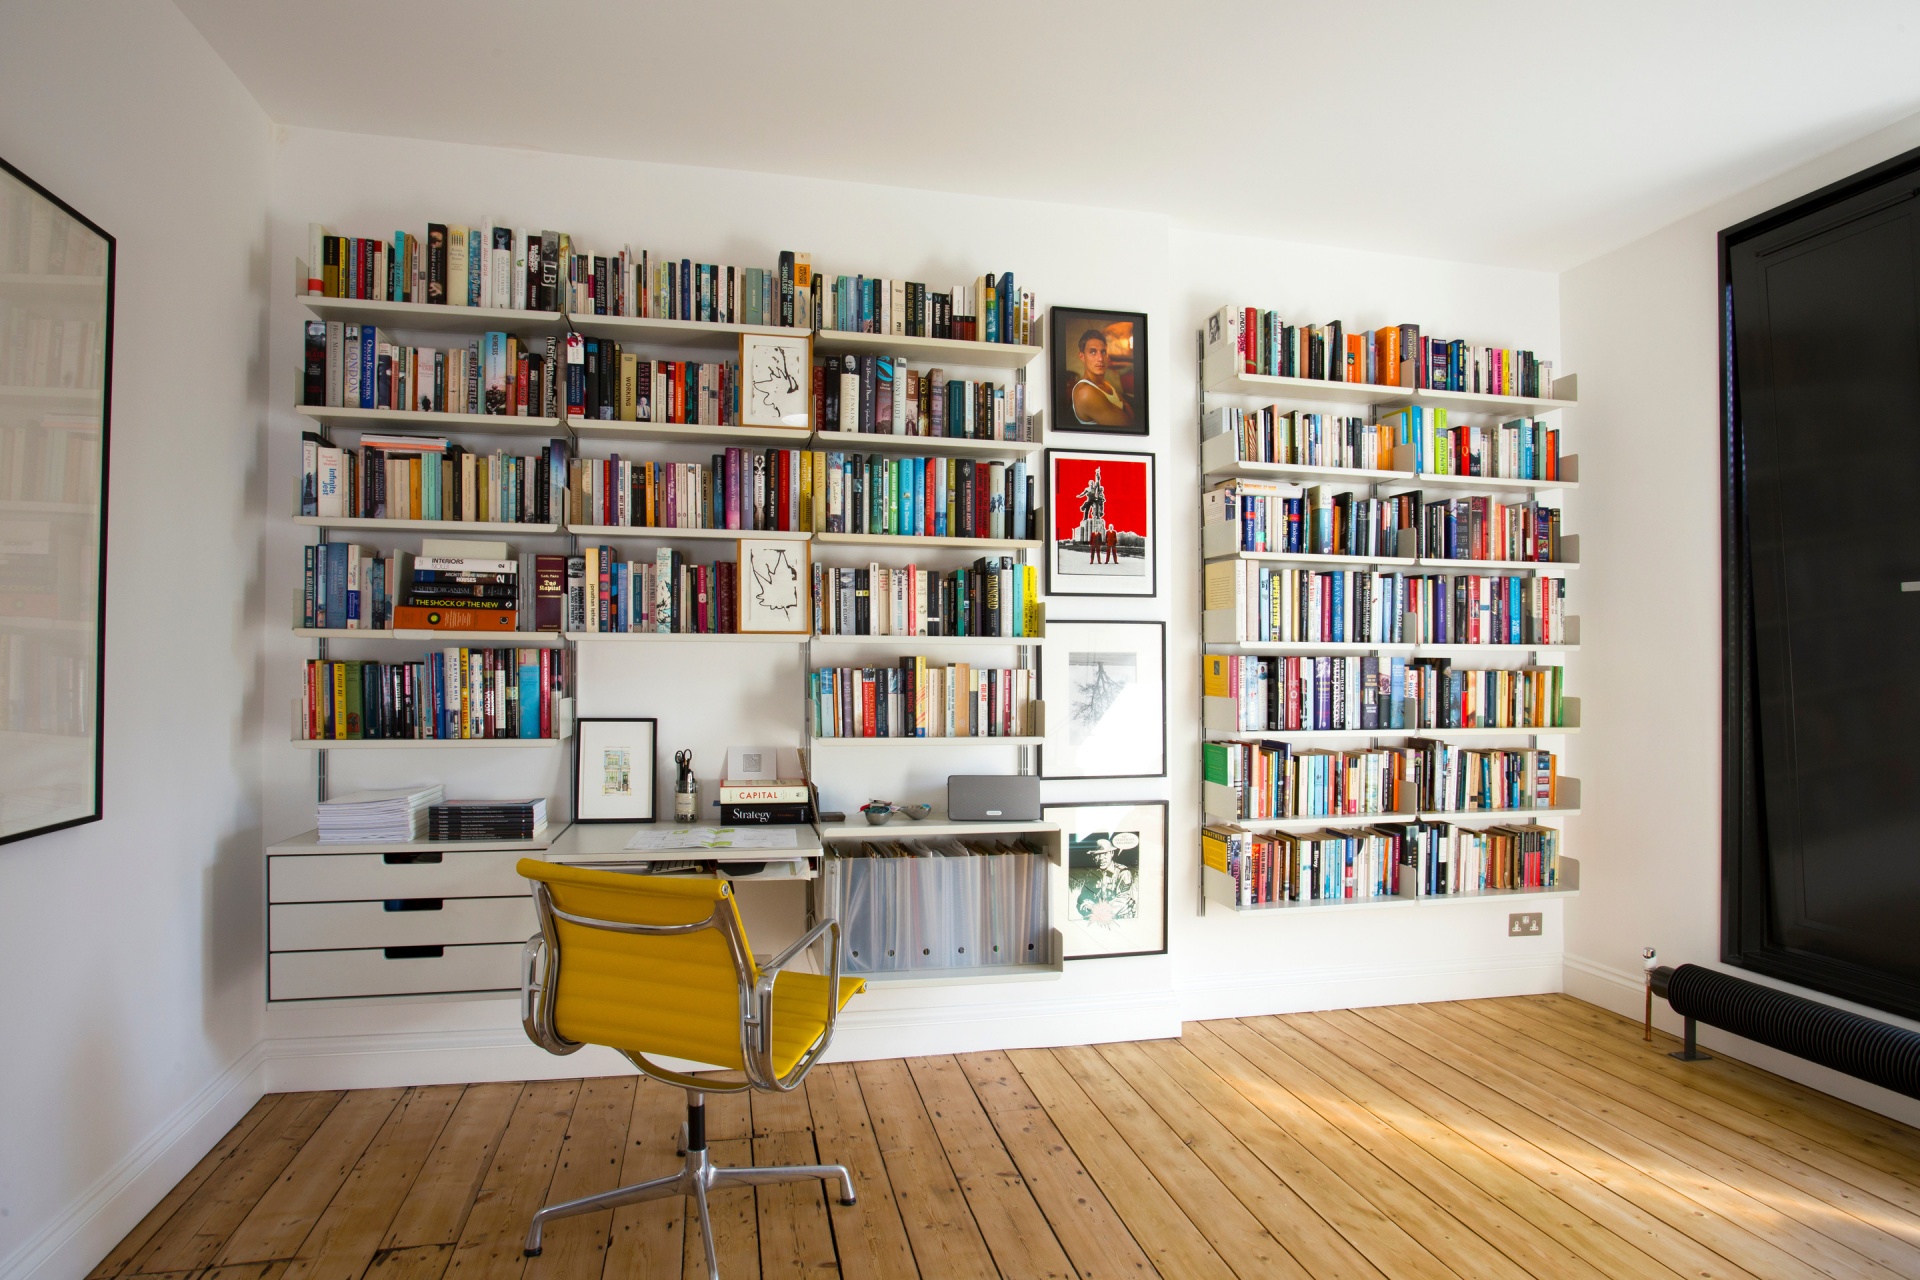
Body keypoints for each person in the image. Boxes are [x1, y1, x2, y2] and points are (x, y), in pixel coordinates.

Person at [1069, 329, 1134, 428]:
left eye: (1103, 352)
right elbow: (1129, 426)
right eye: (1093, 352)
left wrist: (1126, 406)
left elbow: (1125, 403)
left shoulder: (1105, 383)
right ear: (1082, 357)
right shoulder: (1085, 393)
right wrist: (1125, 408)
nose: (1100, 358)